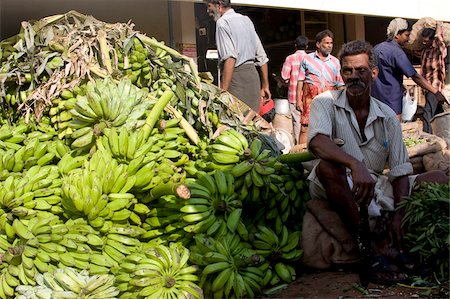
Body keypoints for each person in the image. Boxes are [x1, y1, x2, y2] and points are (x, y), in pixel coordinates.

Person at [306, 40, 448, 284]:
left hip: (374, 182)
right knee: (327, 167)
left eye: (360, 70)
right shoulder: (325, 102)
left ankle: (397, 241)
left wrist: (398, 215)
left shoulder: (387, 117)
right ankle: (368, 250)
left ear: (373, 73)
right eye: (348, 71)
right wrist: (355, 164)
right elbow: (318, 141)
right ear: (342, 74)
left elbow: (401, 170)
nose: (354, 77)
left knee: (438, 178)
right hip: (340, 178)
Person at [371, 18, 446, 120]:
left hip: (375, 100)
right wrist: (436, 92)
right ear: (397, 35)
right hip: (392, 102)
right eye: (406, 35)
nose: (408, 39)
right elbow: (415, 76)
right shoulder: (396, 52)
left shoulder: (376, 48)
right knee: (393, 132)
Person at [205, 0, 271, 113]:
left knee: (236, 123)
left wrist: (222, 93)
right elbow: (262, 56)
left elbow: (230, 58)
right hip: (253, 78)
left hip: (237, 79)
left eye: (209, 6)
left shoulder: (222, 23)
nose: (207, 11)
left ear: (219, 5)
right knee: (252, 123)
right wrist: (265, 86)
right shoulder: (246, 20)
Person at [296, 29, 345, 146]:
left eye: (331, 43)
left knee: (331, 127)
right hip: (310, 99)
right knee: (305, 127)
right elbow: (300, 80)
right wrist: (298, 99)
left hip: (329, 99)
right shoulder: (307, 59)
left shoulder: (335, 62)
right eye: (326, 43)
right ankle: (301, 155)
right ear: (318, 44)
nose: (329, 46)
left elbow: (340, 83)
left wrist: (344, 100)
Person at [419, 23, 448, 133]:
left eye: (426, 41)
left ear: (432, 40)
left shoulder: (438, 51)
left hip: (435, 87)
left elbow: (441, 43)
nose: (424, 42)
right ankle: (440, 134)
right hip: (427, 88)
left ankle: (428, 136)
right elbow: (423, 70)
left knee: (427, 111)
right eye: (423, 40)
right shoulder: (424, 52)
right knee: (438, 113)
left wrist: (438, 32)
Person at [281, 35, 309, 144]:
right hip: (308, 97)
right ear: (306, 46)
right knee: (308, 122)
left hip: (293, 96)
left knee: (297, 122)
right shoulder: (310, 58)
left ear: (295, 45)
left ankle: (299, 148)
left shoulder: (290, 58)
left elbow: (284, 76)